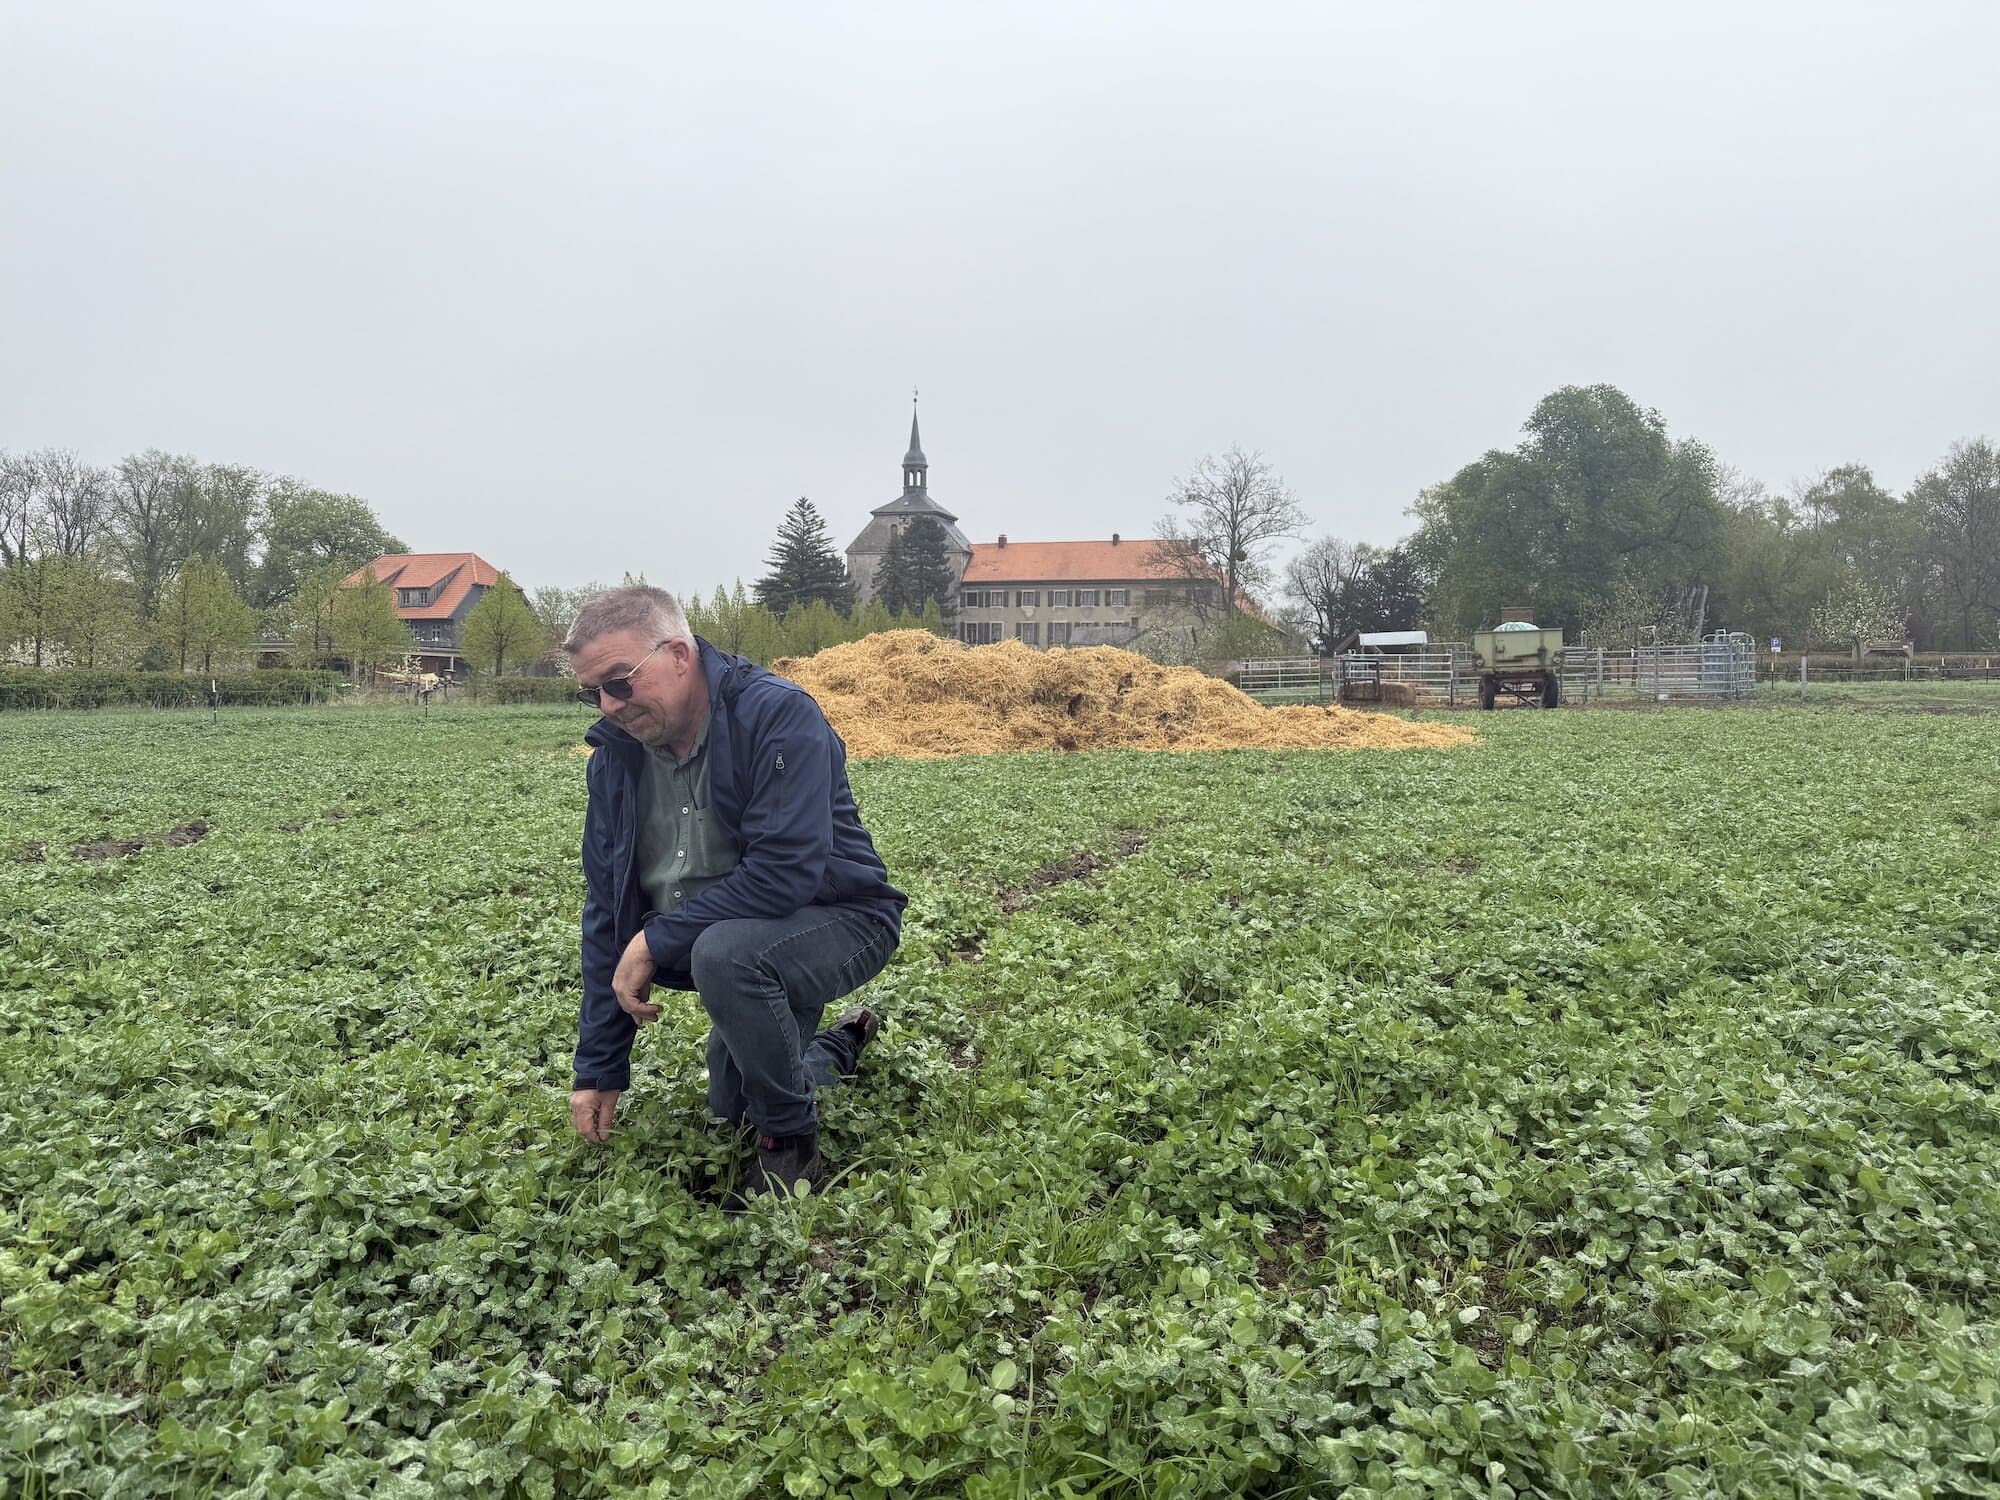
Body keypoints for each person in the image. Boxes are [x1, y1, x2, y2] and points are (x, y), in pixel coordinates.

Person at [564, 586, 906, 1201]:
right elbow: (606, 910)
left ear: (678, 654)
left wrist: (659, 938)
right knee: (730, 1104)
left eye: (619, 681)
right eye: (592, 692)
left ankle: (789, 1140)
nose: (608, 705)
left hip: (841, 918)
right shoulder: (615, 760)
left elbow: (785, 872)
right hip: (739, 935)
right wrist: (599, 1066)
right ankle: (836, 1045)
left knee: (726, 956)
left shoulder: (776, 714)